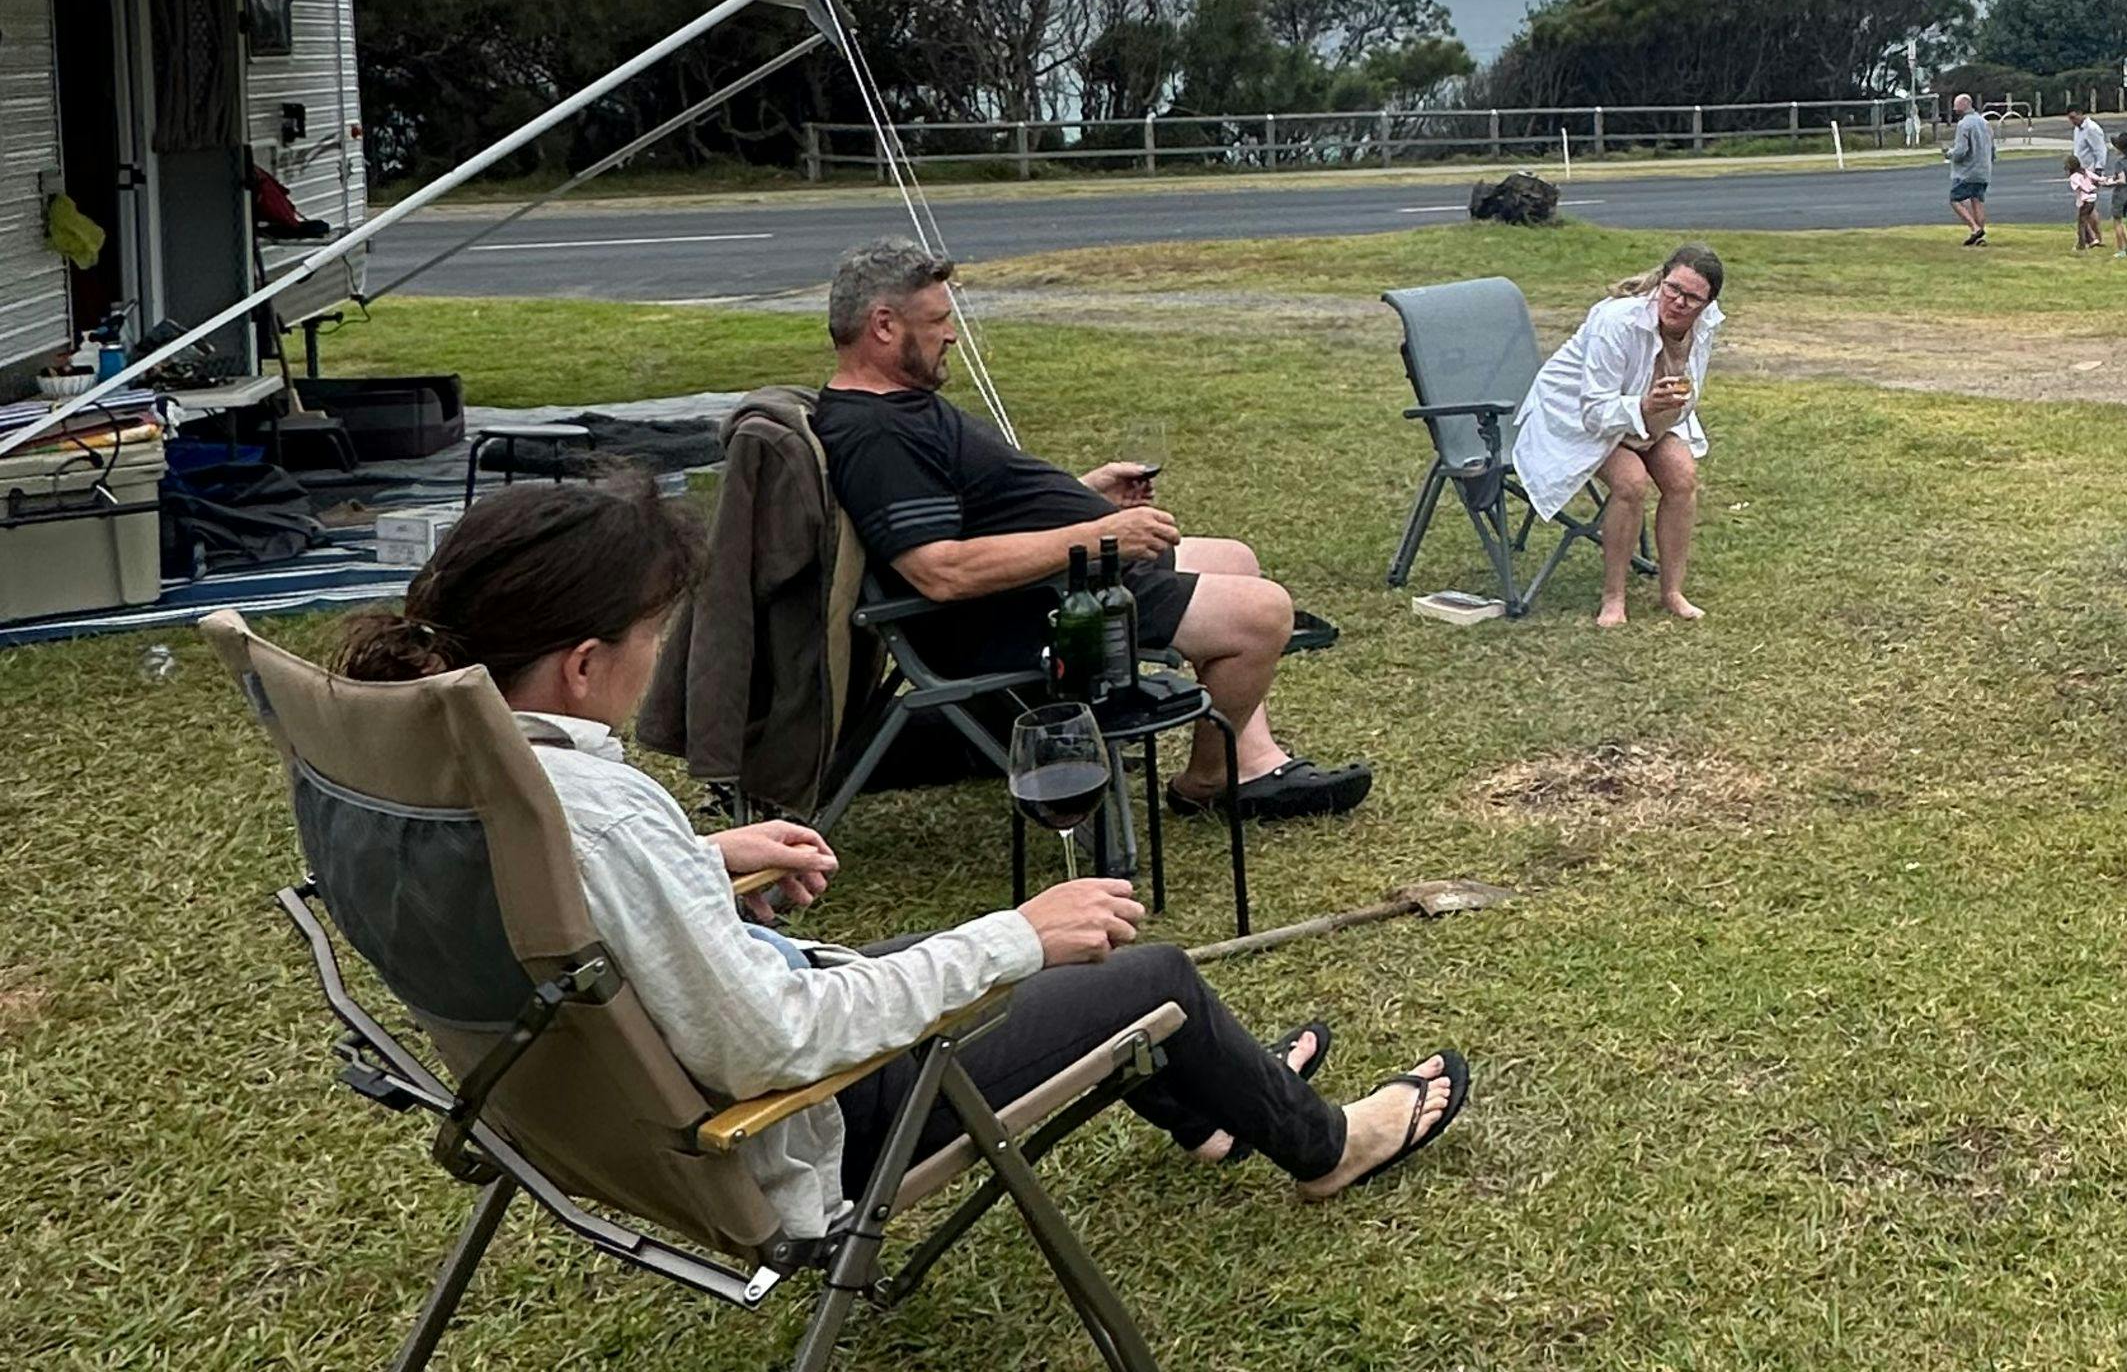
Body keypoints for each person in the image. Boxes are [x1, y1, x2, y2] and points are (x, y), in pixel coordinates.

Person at [336, 480, 1471, 1245]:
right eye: (651, 640)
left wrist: (696, 859)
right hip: (796, 1126)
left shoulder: (435, 758)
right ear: (583, 667)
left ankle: (1221, 1100)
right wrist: (1019, 933)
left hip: (588, 1115)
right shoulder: (603, 817)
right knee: (1146, 973)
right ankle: (1327, 1145)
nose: (659, 657)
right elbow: (775, 1040)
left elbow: (574, 898)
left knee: (1107, 994)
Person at [815, 239, 1368, 819]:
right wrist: (1098, 538)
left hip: (1054, 579)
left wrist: (1085, 494)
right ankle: (1208, 783)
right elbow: (940, 572)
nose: (951, 334)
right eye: (937, 320)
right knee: (1263, 613)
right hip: (1031, 610)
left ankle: (1252, 762)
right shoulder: (877, 435)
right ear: (882, 325)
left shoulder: (896, 406)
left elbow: (977, 512)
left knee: (1236, 560)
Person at [1512, 244, 1723, 628]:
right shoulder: (1617, 322)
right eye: (1673, 289)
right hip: (1574, 415)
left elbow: (1689, 394)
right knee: (1630, 481)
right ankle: (1614, 597)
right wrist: (1644, 406)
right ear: (1662, 279)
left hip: (1648, 415)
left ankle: (1672, 591)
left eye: (1692, 298)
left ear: (1706, 305)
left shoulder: (1704, 326)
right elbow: (1594, 410)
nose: (1678, 302)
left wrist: (1663, 408)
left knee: (1683, 476)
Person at [1943, 93, 1994, 245]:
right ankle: (1981, 238)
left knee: (1955, 199)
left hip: (1967, 171)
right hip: (1983, 169)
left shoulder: (1964, 124)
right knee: (1977, 200)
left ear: (1965, 104)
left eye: (1956, 105)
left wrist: (1949, 154)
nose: (1954, 109)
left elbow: (1961, 151)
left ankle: (1975, 228)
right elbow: (1992, 145)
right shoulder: (1984, 122)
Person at [2104, 126, 2127, 257]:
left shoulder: (2119, 163)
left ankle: (2121, 250)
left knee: (2116, 222)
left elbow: (2122, 180)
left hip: (2120, 195)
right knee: (2121, 220)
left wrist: (2109, 183)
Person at [2065, 154, 2101, 253]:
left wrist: (2088, 189)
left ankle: (2081, 244)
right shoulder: (2084, 172)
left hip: (2086, 201)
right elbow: (2096, 178)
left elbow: (2080, 187)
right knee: (2084, 221)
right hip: (2092, 199)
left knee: (2081, 224)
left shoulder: (2074, 177)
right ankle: (2092, 240)